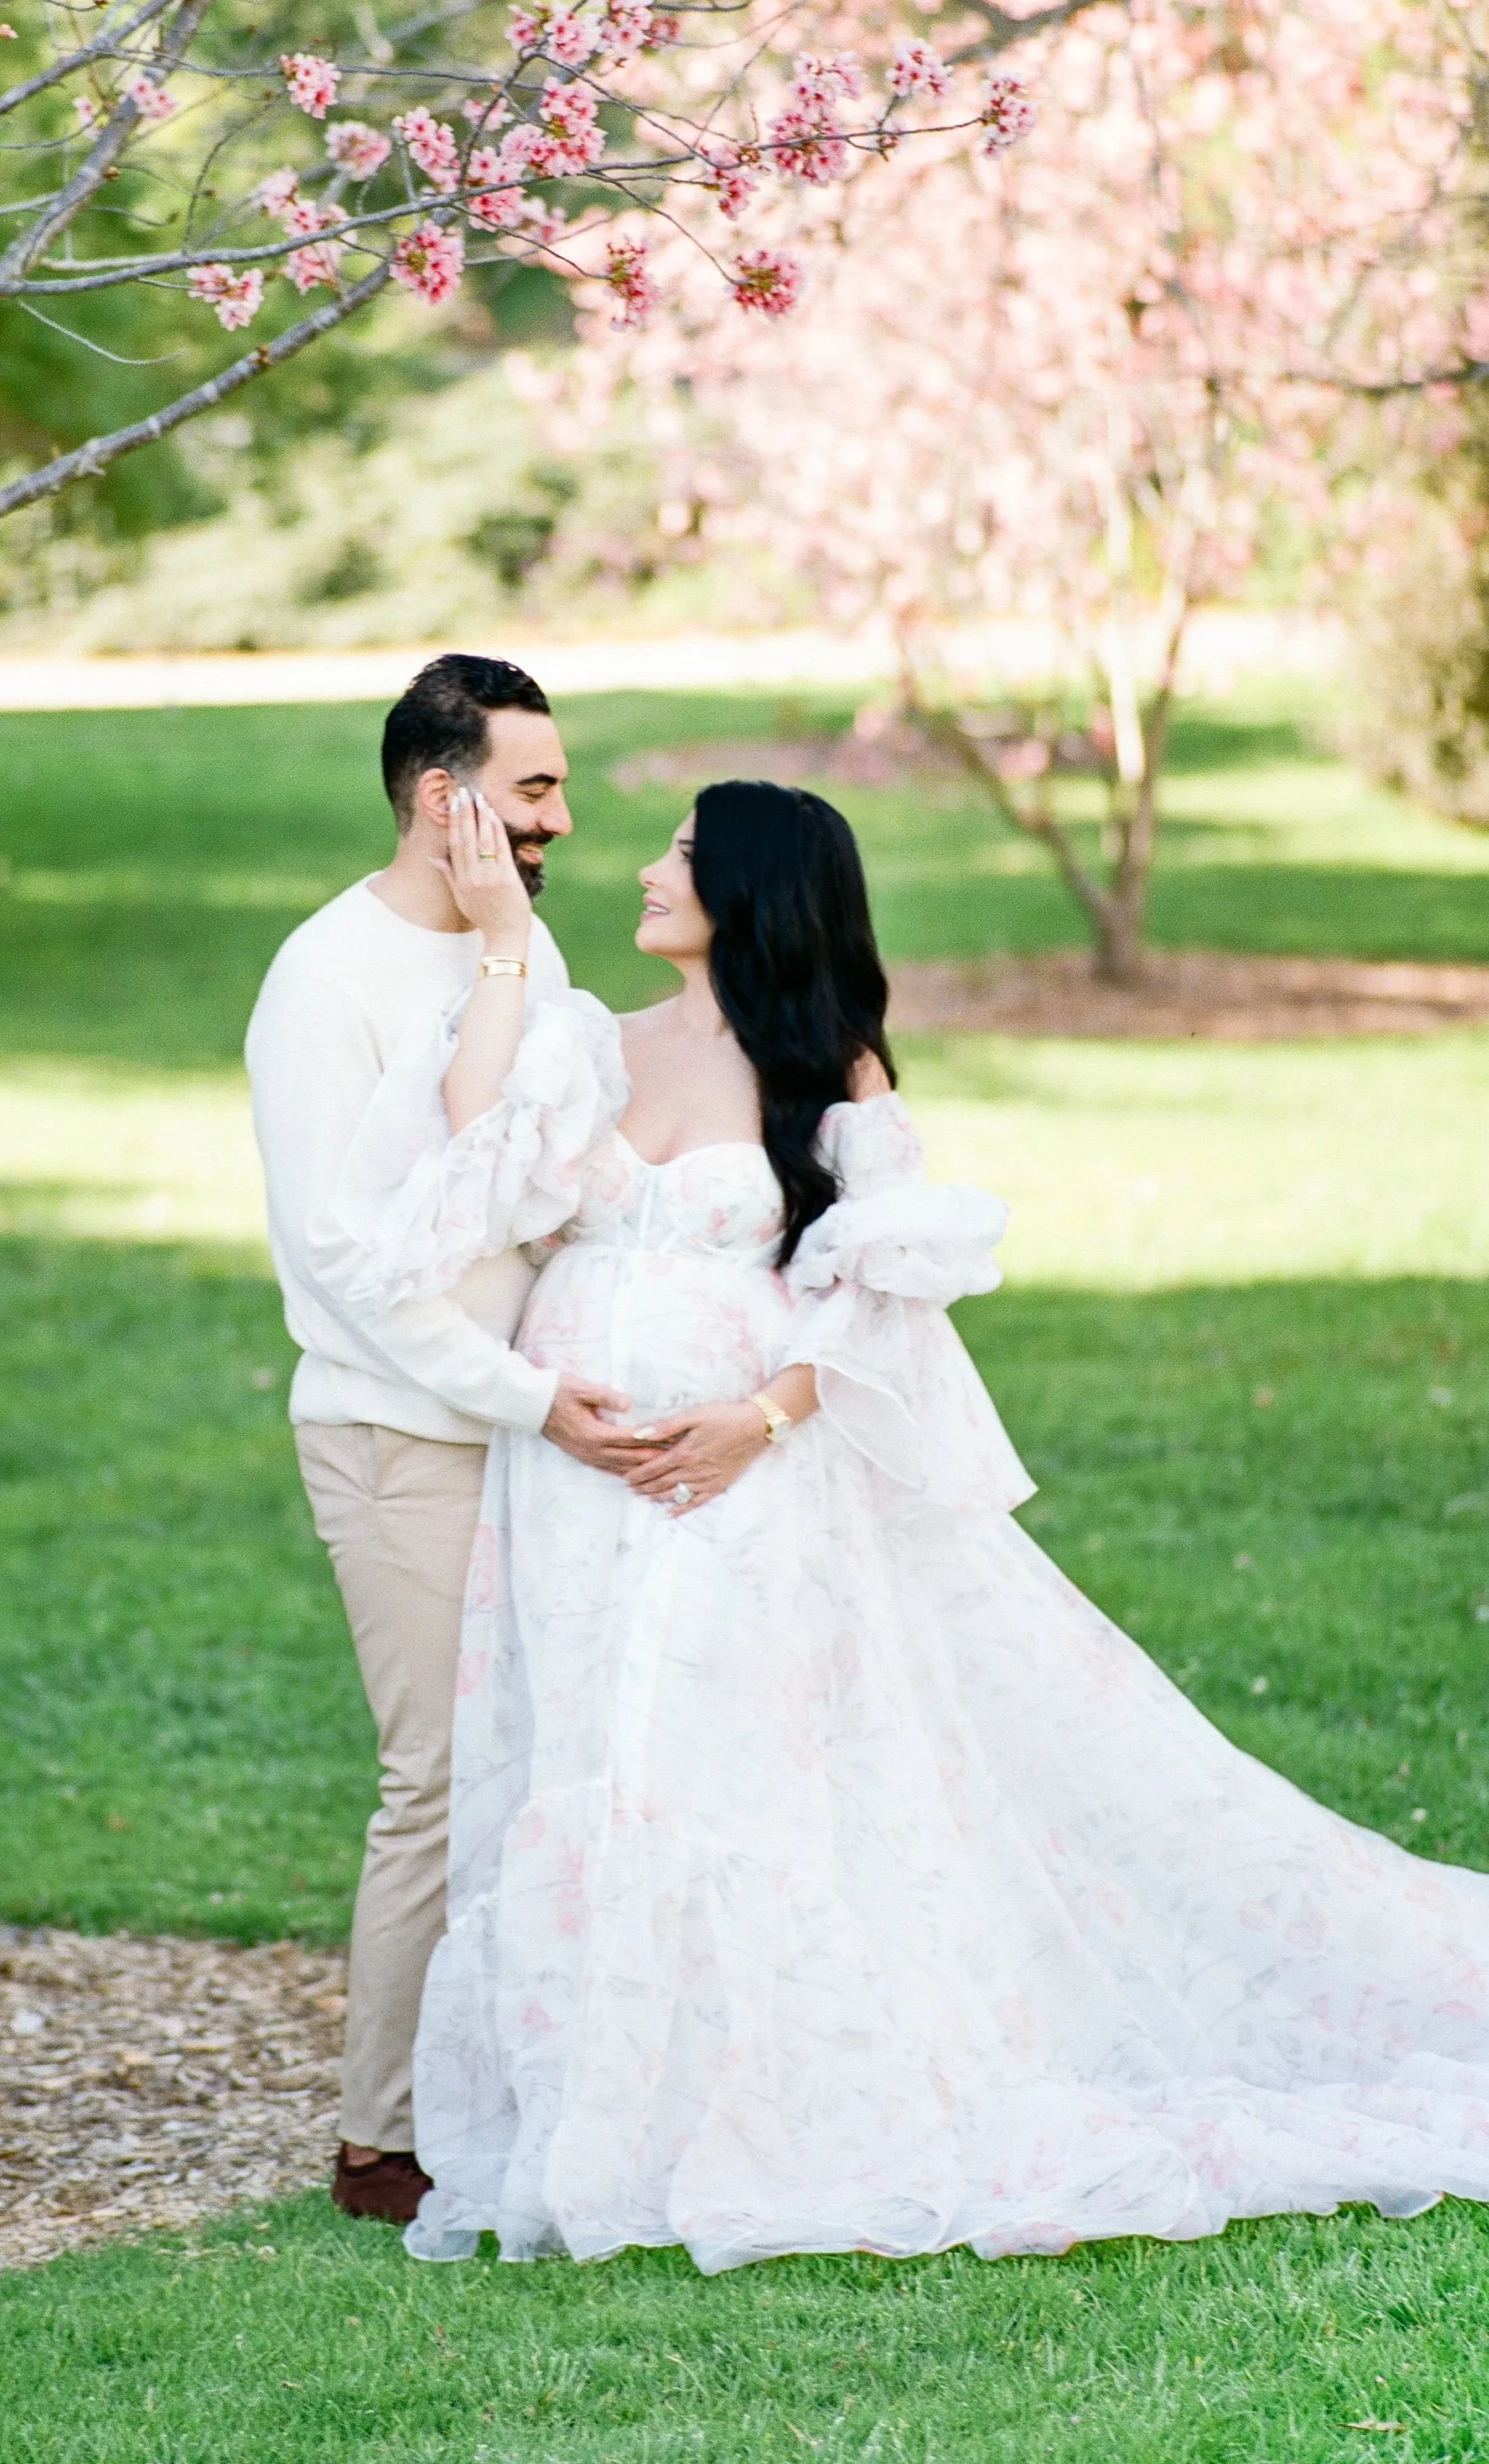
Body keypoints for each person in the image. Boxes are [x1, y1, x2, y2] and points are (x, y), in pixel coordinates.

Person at [333, 774, 1489, 2272]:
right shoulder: (585, 1045)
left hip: (744, 1478)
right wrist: (499, 942)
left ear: (753, 891)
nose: (644, 870)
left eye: (682, 854)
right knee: (589, 1760)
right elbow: (471, 1146)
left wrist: (762, 1416)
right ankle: (603, 2112)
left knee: (704, 1767)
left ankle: (752, 2105)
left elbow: (883, 1291)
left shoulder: (832, 1073)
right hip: (570, 1486)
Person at [244, 653, 635, 2227]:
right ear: (440, 795)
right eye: (534, 787)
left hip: (528, 1425)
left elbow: (532, 1176)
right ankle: (378, 2138)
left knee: (537, 1765)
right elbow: (342, 1272)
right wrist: (534, 1396)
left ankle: (518, 2079)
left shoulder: (511, 948)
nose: (560, 816)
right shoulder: (322, 983)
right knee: (435, 1777)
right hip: (401, 1434)